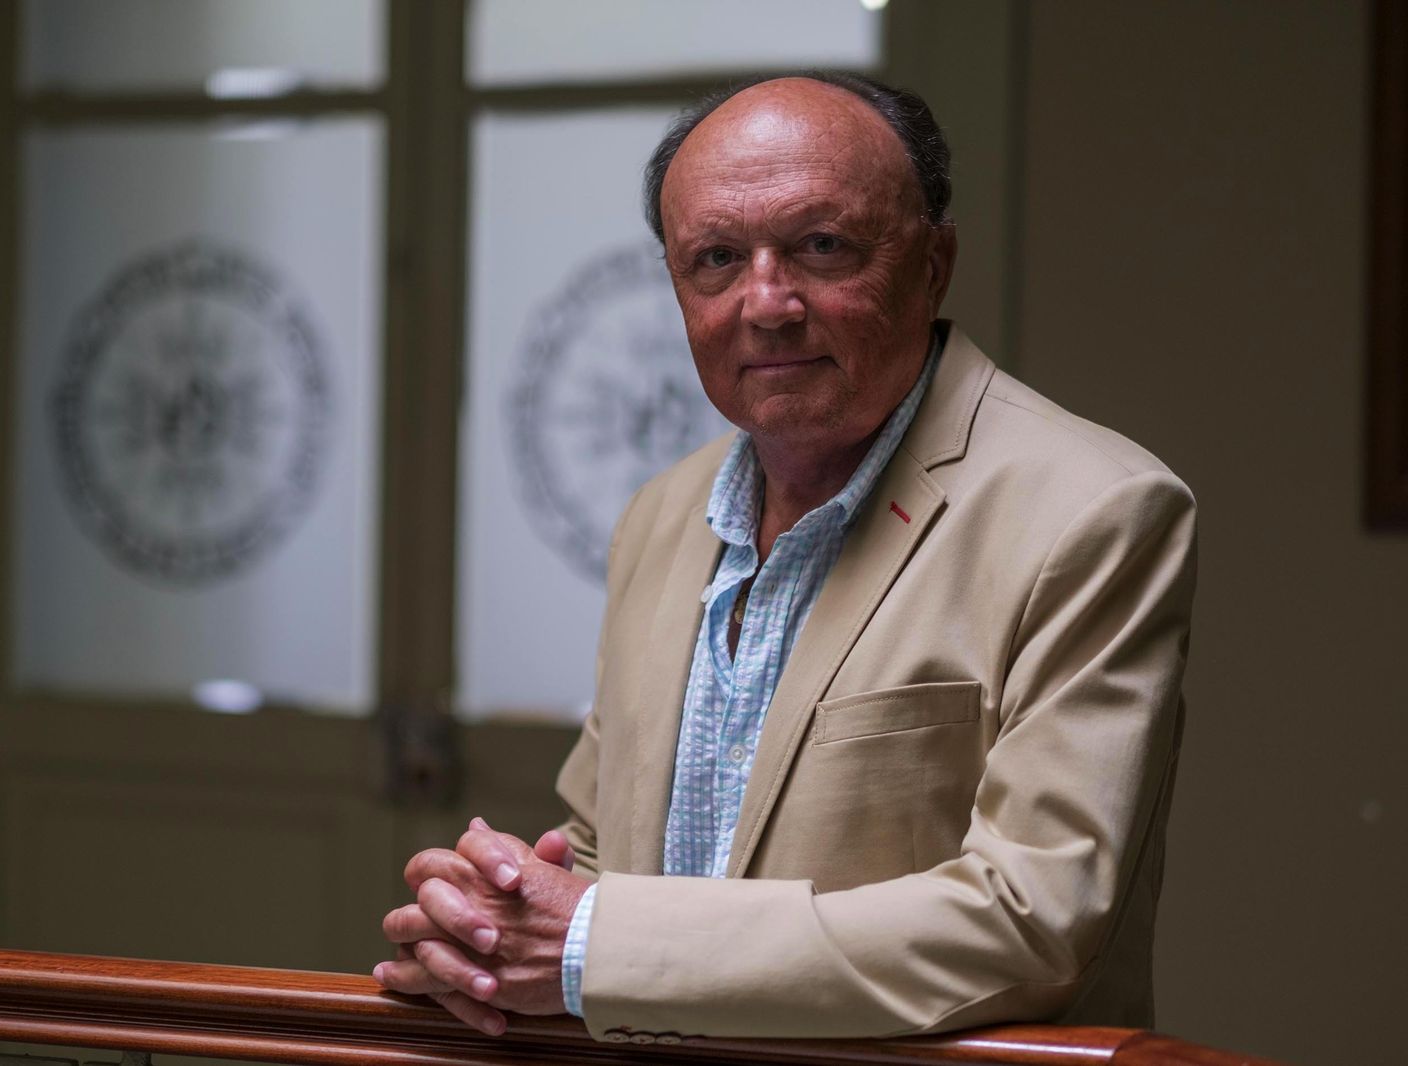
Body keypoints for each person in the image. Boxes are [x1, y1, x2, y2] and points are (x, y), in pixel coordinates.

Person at [374, 71, 1197, 1045]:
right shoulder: (662, 515)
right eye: (715, 258)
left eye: (820, 245)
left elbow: (1031, 921)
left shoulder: (1090, 512)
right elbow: (605, 852)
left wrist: (589, 939)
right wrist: (492, 913)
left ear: (934, 263)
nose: (765, 303)